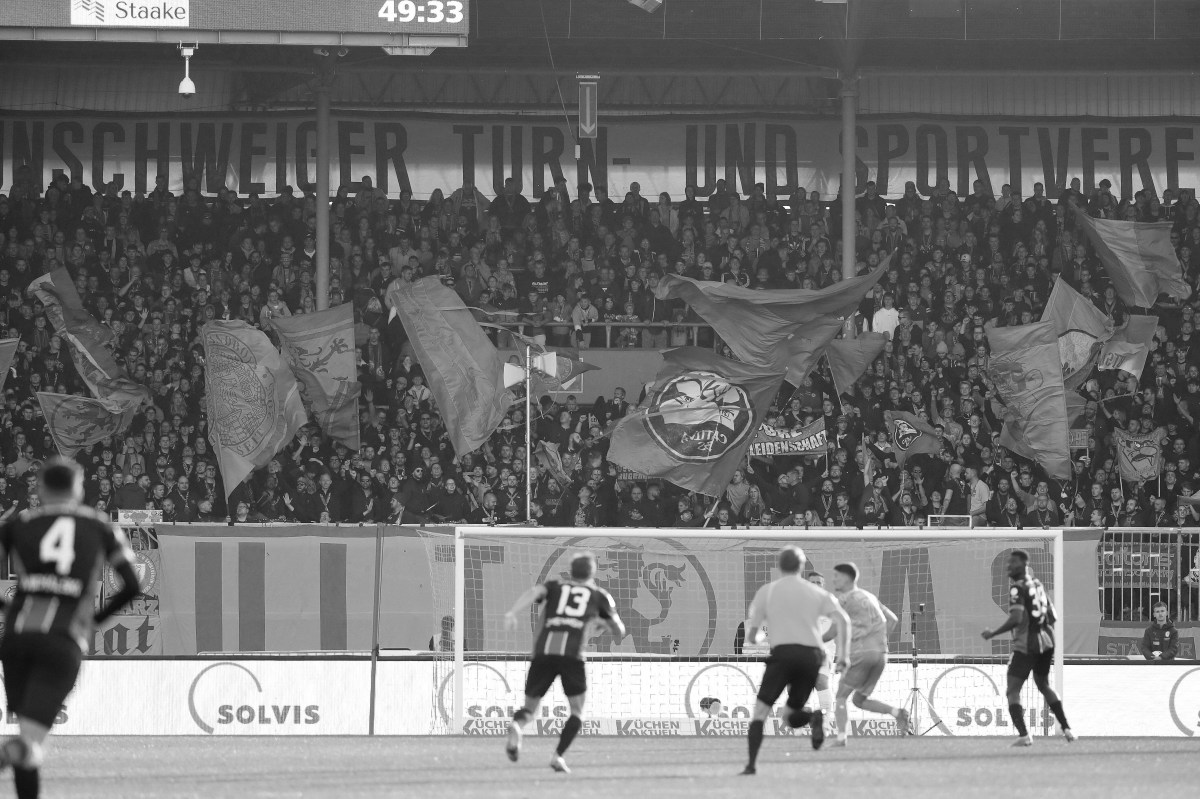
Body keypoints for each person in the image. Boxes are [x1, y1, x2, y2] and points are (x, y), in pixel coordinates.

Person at [0, 458, 140, 799]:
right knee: (29, 743)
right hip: (62, 640)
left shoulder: (18, 525)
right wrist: (94, 620)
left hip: (16, 638)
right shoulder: (99, 525)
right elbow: (133, 586)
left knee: (27, 744)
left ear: (41, 489)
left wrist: (8, 607)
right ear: (78, 489)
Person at [502, 552, 626, 774]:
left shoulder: (554, 586)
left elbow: (533, 592)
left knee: (530, 708)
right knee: (577, 711)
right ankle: (557, 756)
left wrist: (512, 612)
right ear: (592, 572)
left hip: (543, 653)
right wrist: (603, 623)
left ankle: (517, 726)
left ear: (570, 571)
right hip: (572, 656)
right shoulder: (599, 595)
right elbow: (619, 630)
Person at [740, 546, 850, 775]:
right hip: (811, 657)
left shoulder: (767, 592)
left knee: (760, 714)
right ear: (801, 567)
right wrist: (844, 655)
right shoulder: (819, 594)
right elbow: (844, 621)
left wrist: (758, 637)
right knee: (790, 715)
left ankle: (751, 766)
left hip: (783, 655)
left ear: (780, 566)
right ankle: (815, 716)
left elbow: (752, 633)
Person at [981, 549, 1076, 746]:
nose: (1008, 566)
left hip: (1026, 645)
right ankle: (1067, 728)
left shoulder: (1017, 588)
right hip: (1047, 642)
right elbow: (1053, 617)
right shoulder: (1039, 585)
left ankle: (1024, 735)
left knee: (1012, 690)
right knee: (1043, 685)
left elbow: (1016, 618)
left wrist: (993, 633)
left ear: (1024, 565)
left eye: (1013, 563)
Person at [827, 562, 909, 747]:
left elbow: (832, 631)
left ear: (847, 578)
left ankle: (841, 738)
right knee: (859, 700)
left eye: (836, 576)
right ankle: (897, 713)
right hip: (881, 654)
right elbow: (893, 619)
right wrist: (877, 641)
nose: (833, 580)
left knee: (841, 696)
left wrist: (812, 640)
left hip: (861, 654)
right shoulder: (870, 596)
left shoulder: (844, 599)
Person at [801, 571, 837, 738]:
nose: (816, 585)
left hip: (823, 650)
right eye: (812, 582)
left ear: (824, 585)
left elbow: (839, 627)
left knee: (821, 681)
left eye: (819, 583)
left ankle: (825, 723)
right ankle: (803, 724)